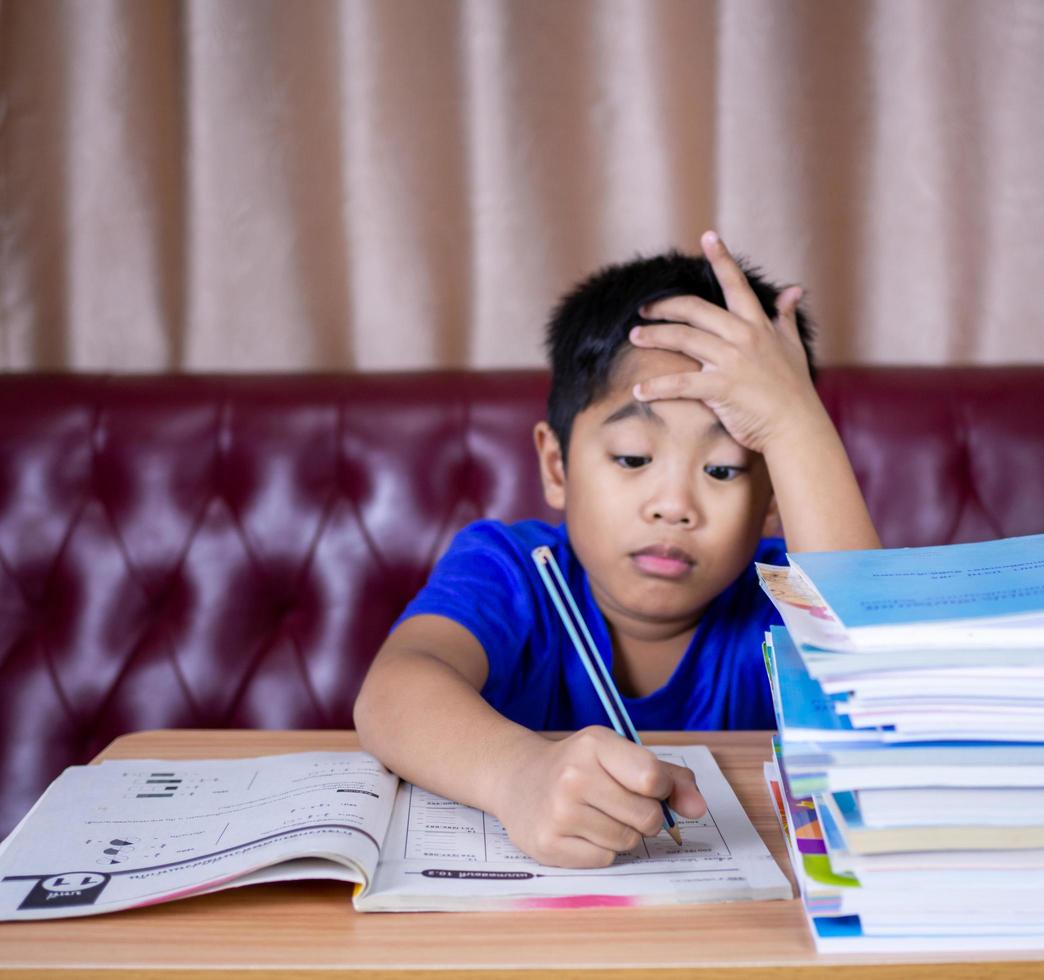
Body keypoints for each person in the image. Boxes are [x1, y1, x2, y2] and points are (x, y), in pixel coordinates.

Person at [354, 230, 880, 868]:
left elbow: (874, 684)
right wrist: (517, 776)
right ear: (556, 465)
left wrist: (795, 424)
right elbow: (392, 693)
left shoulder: (785, 600)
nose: (673, 505)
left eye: (722, 470)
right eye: (633, 458)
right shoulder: (514, 569)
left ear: (774, 497)